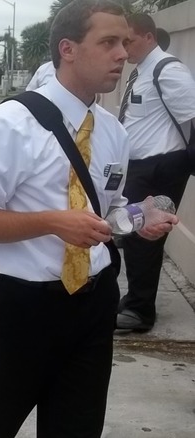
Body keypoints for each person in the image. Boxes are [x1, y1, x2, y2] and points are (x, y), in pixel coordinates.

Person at [0, 1, 177, 436]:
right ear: (68, 49)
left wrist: (137, 219)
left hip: (94, 303)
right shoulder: (11, 124)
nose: (122, 54)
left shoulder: (114, 131)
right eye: (109, 42)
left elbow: (107, 210)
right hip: (25, 306)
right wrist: (54, 222)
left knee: (78, 426)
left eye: (125, 43)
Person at [116, 13, 195, 331]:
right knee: (134, 235)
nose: (123, 49)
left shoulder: (167, 70)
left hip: (160, 167)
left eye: (128, 41)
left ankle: (140, 311)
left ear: (148, 37)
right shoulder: (142, 72)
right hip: (141, 166)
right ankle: (137, 300)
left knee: (143, 237)